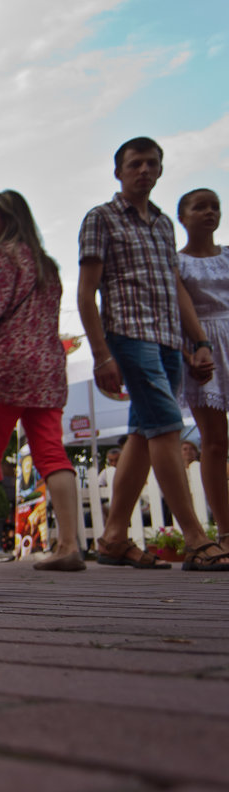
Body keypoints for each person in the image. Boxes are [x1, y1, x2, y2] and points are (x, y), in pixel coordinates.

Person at [77, 137, 229, 570]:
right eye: (134, 163)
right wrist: (102, 353)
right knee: (166, 427)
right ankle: (197, 539)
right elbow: (87, 292)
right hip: (127, 335)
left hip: (168, 339)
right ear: (118, 172)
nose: (143, 170)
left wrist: (196, 342)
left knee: (143, 436)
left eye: (151, 163)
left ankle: (112, 537)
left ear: (160, 170)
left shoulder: (163, 224)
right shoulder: (100, 218)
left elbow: (175, 289)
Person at [0, 190, 83, 571]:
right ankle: (68, 545)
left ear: (8, 219)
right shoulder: (47, 265)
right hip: (47, 366)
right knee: (51, 452)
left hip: (7, 367)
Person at [176, 187, 229, 550]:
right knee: (214, 442)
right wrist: (190, 352)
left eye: (215, 206)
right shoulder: (176, 263)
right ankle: (225, 532)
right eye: (200, 207)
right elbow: (177, 311)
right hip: (200, 348)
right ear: (183, 216)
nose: (209, 212)